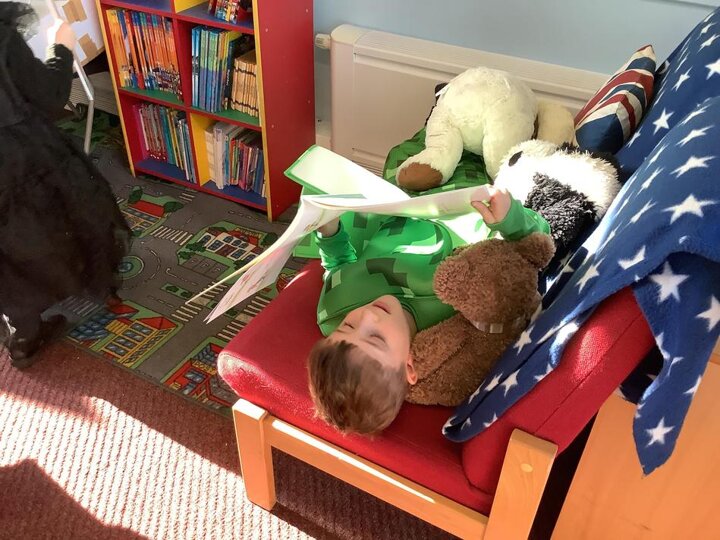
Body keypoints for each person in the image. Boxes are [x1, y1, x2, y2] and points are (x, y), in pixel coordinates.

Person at [308, 186, 550, 434]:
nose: (366, 315)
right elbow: (535, 249)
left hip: (394, 201)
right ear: (409, 368)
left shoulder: (334, 313)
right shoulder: (458, 304)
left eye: (347, 326)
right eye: (376, 338)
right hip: (464, 207)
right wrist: (511, 222)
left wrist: (328, 232)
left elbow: (340, 272)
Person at [0, 2, 130, 368]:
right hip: (17, 156)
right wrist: (61, 46)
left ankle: (22, 332)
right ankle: (95, 281)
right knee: (63, 212)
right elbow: (51, 97)